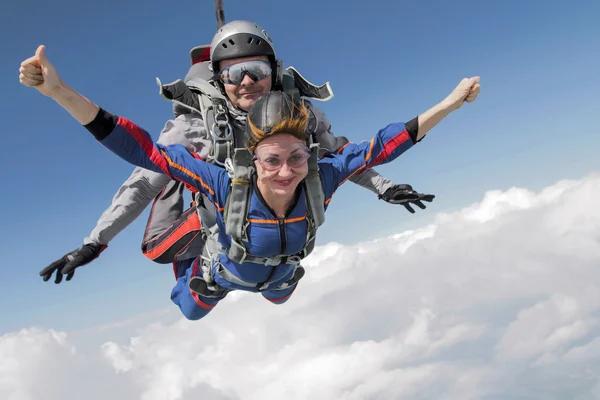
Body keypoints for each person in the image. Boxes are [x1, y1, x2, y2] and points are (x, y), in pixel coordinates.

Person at [18, 45, 480, 320]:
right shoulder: (217, 171)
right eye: (272, 160)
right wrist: (58, 92)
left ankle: (270, 280)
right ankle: (202, 277)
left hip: (281, 261)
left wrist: (447, 109)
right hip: (221, 250)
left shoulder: (322, 165)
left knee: (280, 290)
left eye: (297, 158)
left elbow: (382, 144)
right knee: (195, 307)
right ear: (251, 157)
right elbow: (139, 151)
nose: (286, 171)